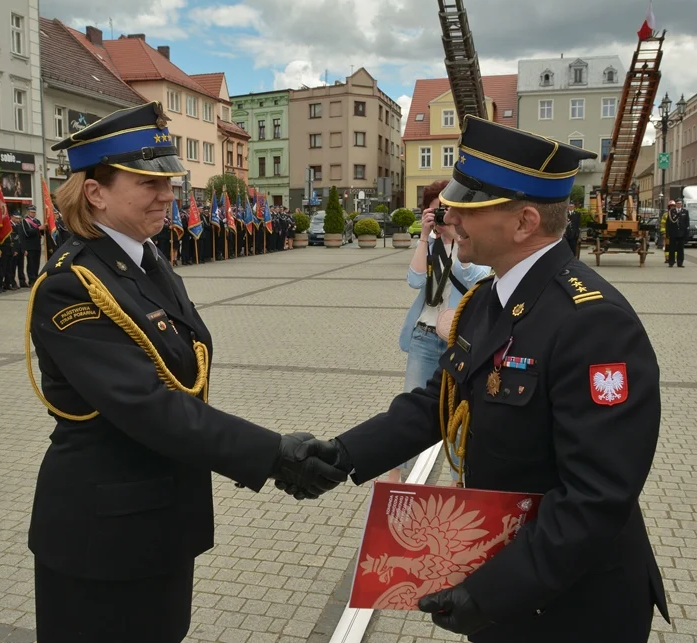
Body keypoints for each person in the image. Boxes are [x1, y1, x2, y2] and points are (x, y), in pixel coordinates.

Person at [279, 118, 670, 642]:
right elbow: (436, 403)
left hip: (571, 604)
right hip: (507, 583)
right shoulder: (489, 298)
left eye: (470, 207)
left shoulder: (592, 321)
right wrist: (343, 454)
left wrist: (492, 593)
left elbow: (597, 497)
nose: (451, 216)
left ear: (525, 221)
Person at [27, 101, 346, 643]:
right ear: (95, 191)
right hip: (102, 534)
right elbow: (150, 407)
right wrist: (273, 454)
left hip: (161, 518)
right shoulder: (72, 284)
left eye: (169, 180)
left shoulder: (146, 260)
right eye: (148, 182)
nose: (168, 193)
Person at [393, 179, 490, 482]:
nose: (442, 217)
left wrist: (452, 238)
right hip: (424, 337)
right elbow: (414, 280)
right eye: (436, 211)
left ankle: (458, 480)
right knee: (410, 410)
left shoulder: (465, 244)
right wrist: (425, 237)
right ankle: (399, 477)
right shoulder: (430, 244)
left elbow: (476, 277)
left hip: (457, 341)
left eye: (447, 210)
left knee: (459, 412)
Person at [22, 205, 44, 285]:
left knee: (36, 263)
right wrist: (38, 229)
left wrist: (44, 229)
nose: (33, 214)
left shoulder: (37, 221)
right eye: (32, 212)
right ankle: (31, 279)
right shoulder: (25, 221)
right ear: (28, 212)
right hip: (30, 246)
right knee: (31, 263)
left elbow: (41, 233)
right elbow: (27, 233)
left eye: (34, 212)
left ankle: (36, 277)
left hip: (37, 245)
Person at [666, 199, 689, 267]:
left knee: (680, 249)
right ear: (675, 204)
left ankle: (680, 262)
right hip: (673, 232)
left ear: (682, 204)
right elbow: (668, 223)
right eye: (678, 203)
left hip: (681, 233)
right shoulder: (671, 211)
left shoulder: (685, 211)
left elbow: (687, 223)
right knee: (672, 248)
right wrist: (668, 232)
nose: (679, 204)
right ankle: (671, 262)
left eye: (680, 203)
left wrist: (686, 233)